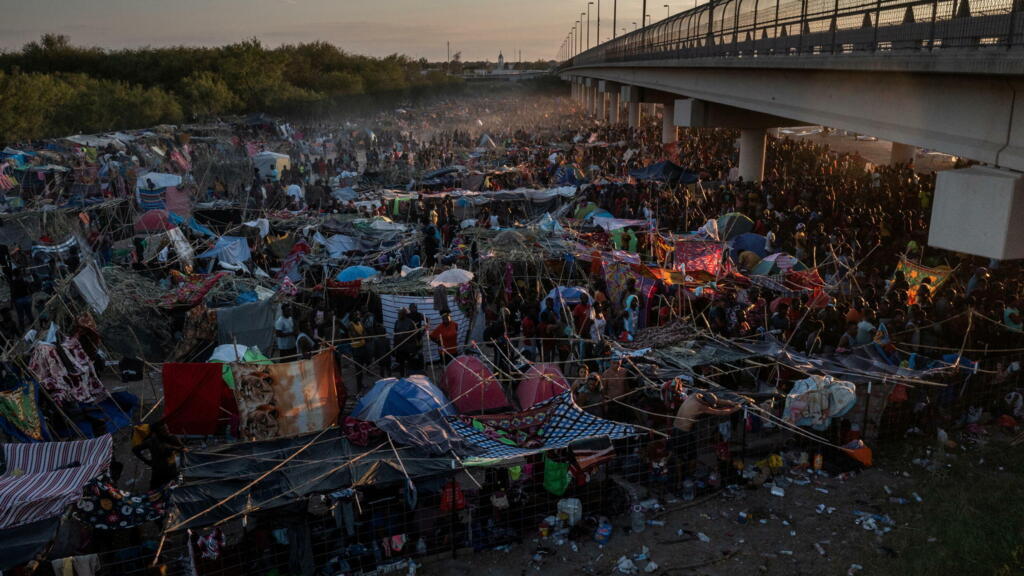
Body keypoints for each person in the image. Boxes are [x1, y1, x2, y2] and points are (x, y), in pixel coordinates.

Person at [670, 392, 740, 484]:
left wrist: (731, 403)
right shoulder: (701, 406)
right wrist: (736, 408)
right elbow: (720, 412)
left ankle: (679, 478)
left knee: (677, 455)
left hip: (675, 428)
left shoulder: (694, 396)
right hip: (684, 433)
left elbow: (718, 400)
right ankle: (688, 476)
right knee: (692, 456)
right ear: (706, 403)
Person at [132, 420, 185, 489]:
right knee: (154, 489)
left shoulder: (172, 438)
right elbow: (135, 450)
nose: (167, 431)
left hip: (171, 469)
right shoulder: (151, 441)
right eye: (164, 430)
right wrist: (147, 461)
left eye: (167, 429)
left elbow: (183, 449)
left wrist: (181, 466)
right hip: (158, 471)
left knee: (172, 488)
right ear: (157, 432)